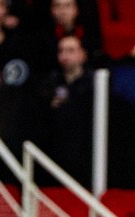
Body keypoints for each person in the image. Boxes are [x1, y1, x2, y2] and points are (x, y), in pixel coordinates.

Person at [38, 35, 97, 187]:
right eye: (61, 51)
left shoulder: (95, 82)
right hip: (56, 146)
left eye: (70, 51)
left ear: (82, 55)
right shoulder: (50, 80)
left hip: (84, 148)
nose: (64, 56)